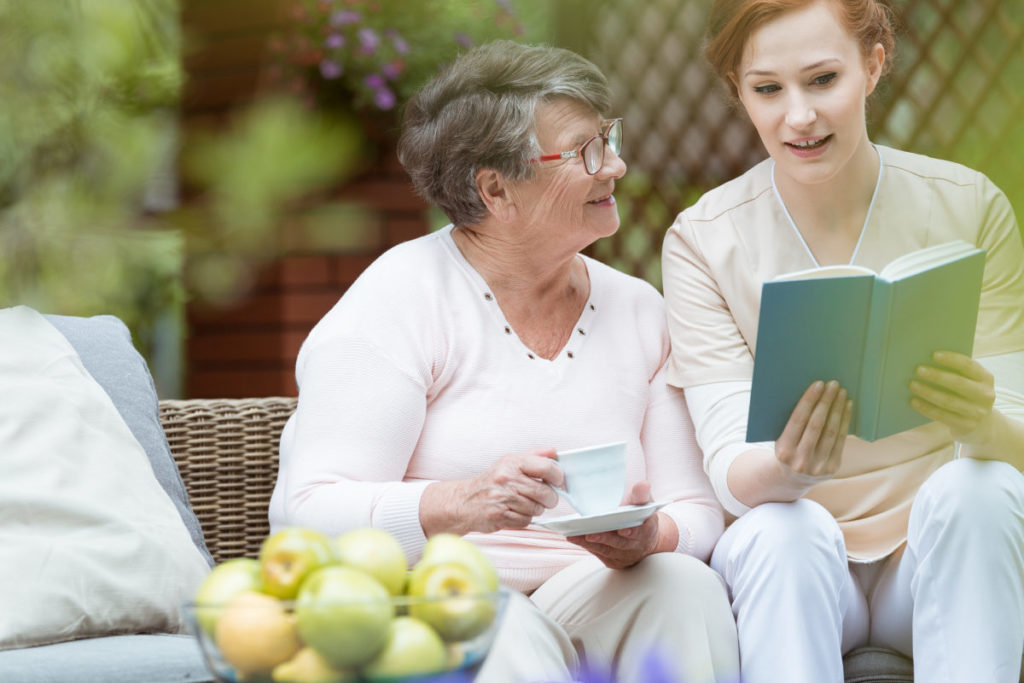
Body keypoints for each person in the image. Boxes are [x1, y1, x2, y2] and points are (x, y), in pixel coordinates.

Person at [269, 40, 739, 683]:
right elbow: (311, 511)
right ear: (496, 190)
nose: (617, 166)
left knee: (684, 586)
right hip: (431, 600)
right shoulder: (401, 298)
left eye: (609, 139)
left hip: (586, 593)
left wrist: (650, 537)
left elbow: (696, 509)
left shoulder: (638, 311)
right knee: (499, 627)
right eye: (586, 151)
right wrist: (460, 502)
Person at [661, 1, 1024, 681]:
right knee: (779, 527)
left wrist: (980, 423)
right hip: (801, 562)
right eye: (767, 89)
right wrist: (791, 468)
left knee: (982, 489)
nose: (797, 116)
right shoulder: (703, 240)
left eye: (822, 79)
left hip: (929, 556)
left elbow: (1020, 444)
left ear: (873, 65)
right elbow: (728, 466)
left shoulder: (969, 205)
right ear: (741, 93)